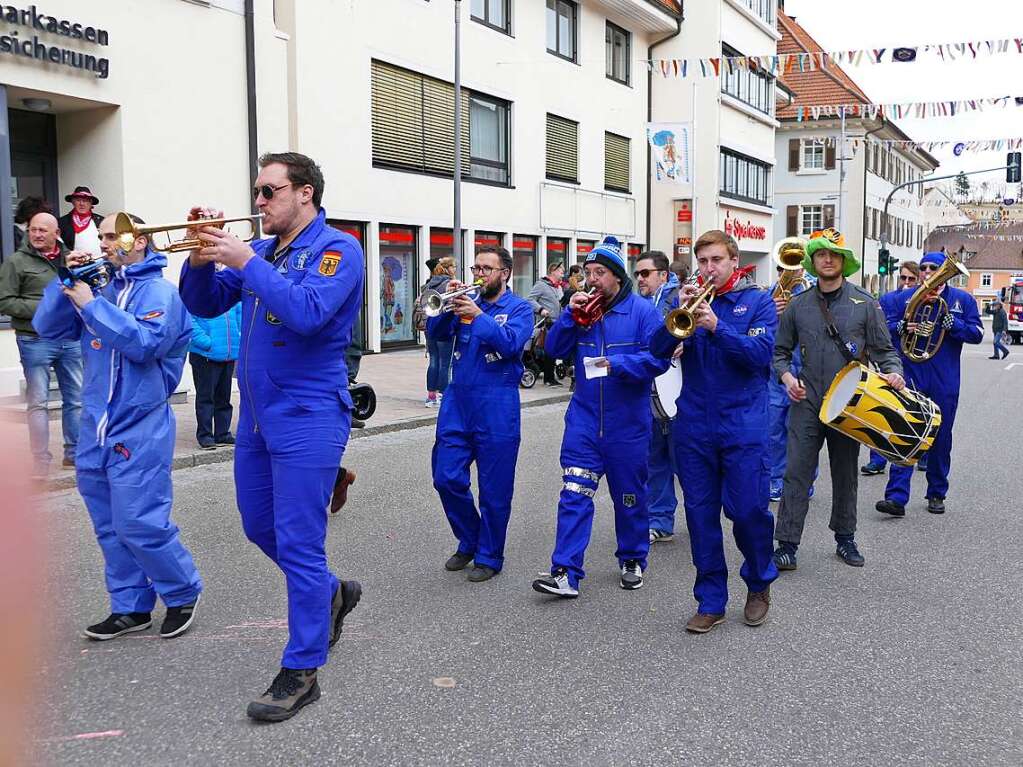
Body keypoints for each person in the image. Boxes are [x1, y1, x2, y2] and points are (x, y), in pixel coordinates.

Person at [179, 152, 364, 722]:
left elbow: (308, 311)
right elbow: (203, 302)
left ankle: (302, 669)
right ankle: (331, 593)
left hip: (309, 413)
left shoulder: (339, 249)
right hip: (257, 417)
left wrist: (243, 259)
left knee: (300, 542)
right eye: (257, 192)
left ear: (304, 193)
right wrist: (200, 254)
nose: (258, 202)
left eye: (269, 191)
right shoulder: (261, 252)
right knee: (259, 525)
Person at [33, 213, 203, 642]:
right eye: (103, 236)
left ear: (140, 241)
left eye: (114, 236)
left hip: (140, 425)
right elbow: (46, 328)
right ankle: (130, 606)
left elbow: (144, 345)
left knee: (139, 522)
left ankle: (182, 591)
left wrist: (92, 304)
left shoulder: (160, 292)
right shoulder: (102, 287)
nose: (105, 243)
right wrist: (65, 282)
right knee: (108, 526)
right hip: (95, 428)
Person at [648, 230, 779, 633]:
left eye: (716, 260)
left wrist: (717, 325)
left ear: (733, 262)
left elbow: (759, 358)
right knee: (700, 515)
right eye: (702, 261)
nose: (708, 268)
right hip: (694, 426)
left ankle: (758, 582)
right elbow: (655, 352)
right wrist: (680, 319)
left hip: (742, 425)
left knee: (748, 511)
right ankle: (711, 599)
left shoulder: (758, 303)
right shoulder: (682, 302)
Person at [531, 236, 667, 598]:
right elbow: (554, 351)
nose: (592, 280)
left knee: (630, 497)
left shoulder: (642, 312)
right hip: (585, 421)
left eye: (600, 273)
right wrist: (568, 320)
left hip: (629, 424)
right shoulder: (582, 311)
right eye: (588, 272)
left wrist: (616, 364)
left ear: (618, 277)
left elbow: (659, 360)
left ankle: (633, 557)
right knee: (574, 492)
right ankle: (565, 572)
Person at [772, 229, 904, 571]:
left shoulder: (864, 303)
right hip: (807, 402)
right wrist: (787, 379)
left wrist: (893, 373)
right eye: (821, 255)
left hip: (850, 405)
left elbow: (885, 351)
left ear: (844, 262)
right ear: (813, 261)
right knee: (796, 474)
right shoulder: (798, 305)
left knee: (845, 474)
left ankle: (845, 538)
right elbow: (780, 353)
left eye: (834, 255)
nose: (827, 259)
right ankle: (786, 545)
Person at [430, 246, 533, 582]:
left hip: (498, 403)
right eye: (476, 268)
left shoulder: (519, 308)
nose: (479, 274)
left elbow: (510, 345)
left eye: (486, 269)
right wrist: (446, 304)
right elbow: (435, 334)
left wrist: (478, 316)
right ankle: (471, 539)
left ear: (504, 273)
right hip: (458, 401)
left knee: (495, 489)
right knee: (446, 477)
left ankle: (489, 554)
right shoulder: (462, 304)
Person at [875, 252, 983, 517]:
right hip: (911, 372)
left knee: (941, 436)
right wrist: (900, 327)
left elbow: (977, 333)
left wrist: (954, 324)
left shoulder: (962, 300)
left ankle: (936, 492)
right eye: (923, 268)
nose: (927, 272)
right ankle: (896, 497)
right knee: (905, 431)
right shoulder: (904, 298)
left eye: (934, 268)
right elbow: (880, 327)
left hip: (944, 378)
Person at [0, 211, 83, 477]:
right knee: (38, 403)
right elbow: (5, 301)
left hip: (70, 339)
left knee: (77, 400)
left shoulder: (72, 258)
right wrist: (47, 307)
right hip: (34, 340)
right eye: (32, 230)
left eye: (42, 231)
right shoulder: (15, 262)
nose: (35, 234)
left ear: (56, 234)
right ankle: (41, 463)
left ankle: (74, 455)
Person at [633, 250, 681, 544]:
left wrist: (686, 341)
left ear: (662, 275)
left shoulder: (679, 297)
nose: (639, 278)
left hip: (677, 389)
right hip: (648, 390)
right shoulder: (636, 303)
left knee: (687, 464)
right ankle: (660, 520)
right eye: (637, 273)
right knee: (654, 460)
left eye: (645, 273)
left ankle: (705, 517)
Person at [861, 261, 921, 476]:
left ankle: (920, 453)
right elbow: (879, 326)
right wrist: (901, 326)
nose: (906, 283)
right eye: (903, 278)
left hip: (917, 364)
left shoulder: (926, 300)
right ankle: (877, 460)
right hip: (890, 361)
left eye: (911, 279)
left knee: (913, 412)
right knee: (880, 410)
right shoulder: (887, 299)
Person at [767, 260, 816, 502]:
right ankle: (776, 479)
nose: (785, 272)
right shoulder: (770, 293)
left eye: (791, 265)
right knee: (774, 429)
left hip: (806, 368)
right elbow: (762, 329)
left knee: (802, 431)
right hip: (777, 369)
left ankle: (804, 480)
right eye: (780, 267)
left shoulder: (813, 288)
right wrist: (771, 312)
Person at [188, 300, 241, 449]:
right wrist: (206, 342)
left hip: (228, 354)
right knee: (206, 398)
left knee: (224, 398)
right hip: (205, 355)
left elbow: (240, 316)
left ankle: (222, 434)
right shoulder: (199, 291)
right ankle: (205, 436)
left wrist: (239, 337)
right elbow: (189, 320)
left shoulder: (230, 293)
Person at [422, 256, 456, 406]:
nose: (455, 269)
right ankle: (443, 395)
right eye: (453, 266)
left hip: (430, 326)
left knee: (434, 361)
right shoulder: (449, 283)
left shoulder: (429, 284)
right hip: (444, 326)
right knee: (445, 364)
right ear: (448, 268)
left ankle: (431, 396)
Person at [527, 260, 565, 387]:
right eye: (561, 272)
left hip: (558, 323)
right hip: (546, 323)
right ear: (553, 271)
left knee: (553, 351)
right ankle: (548, 378)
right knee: (549, 350)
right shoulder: (541, 285)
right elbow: (529, 300)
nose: (562, 275)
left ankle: (547, 375)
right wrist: (541, 309)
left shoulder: (559, 287)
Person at [57, 186, 104, 257]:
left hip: (100, 265)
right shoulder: (62, 222)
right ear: (73, 202)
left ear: (91, 203)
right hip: (74, 265)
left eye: (85, 200)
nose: (82, 203)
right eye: (78, 200)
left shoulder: (101, 221)